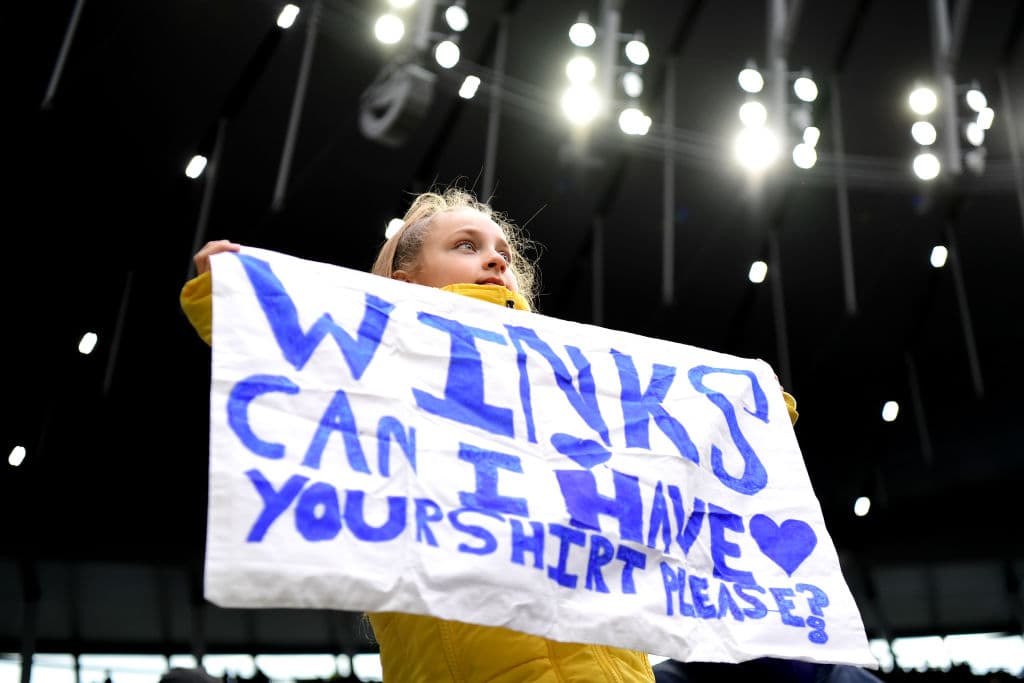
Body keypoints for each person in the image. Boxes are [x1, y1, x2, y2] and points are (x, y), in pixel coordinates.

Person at [180, 187, 799, 682]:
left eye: (502, 249)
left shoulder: (575, 384)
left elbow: (674, 440)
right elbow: (289, 348)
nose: (497, 258)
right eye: (467, 244)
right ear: (404, 280)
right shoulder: (378, 368)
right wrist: (235, 293)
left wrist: (746, 412)